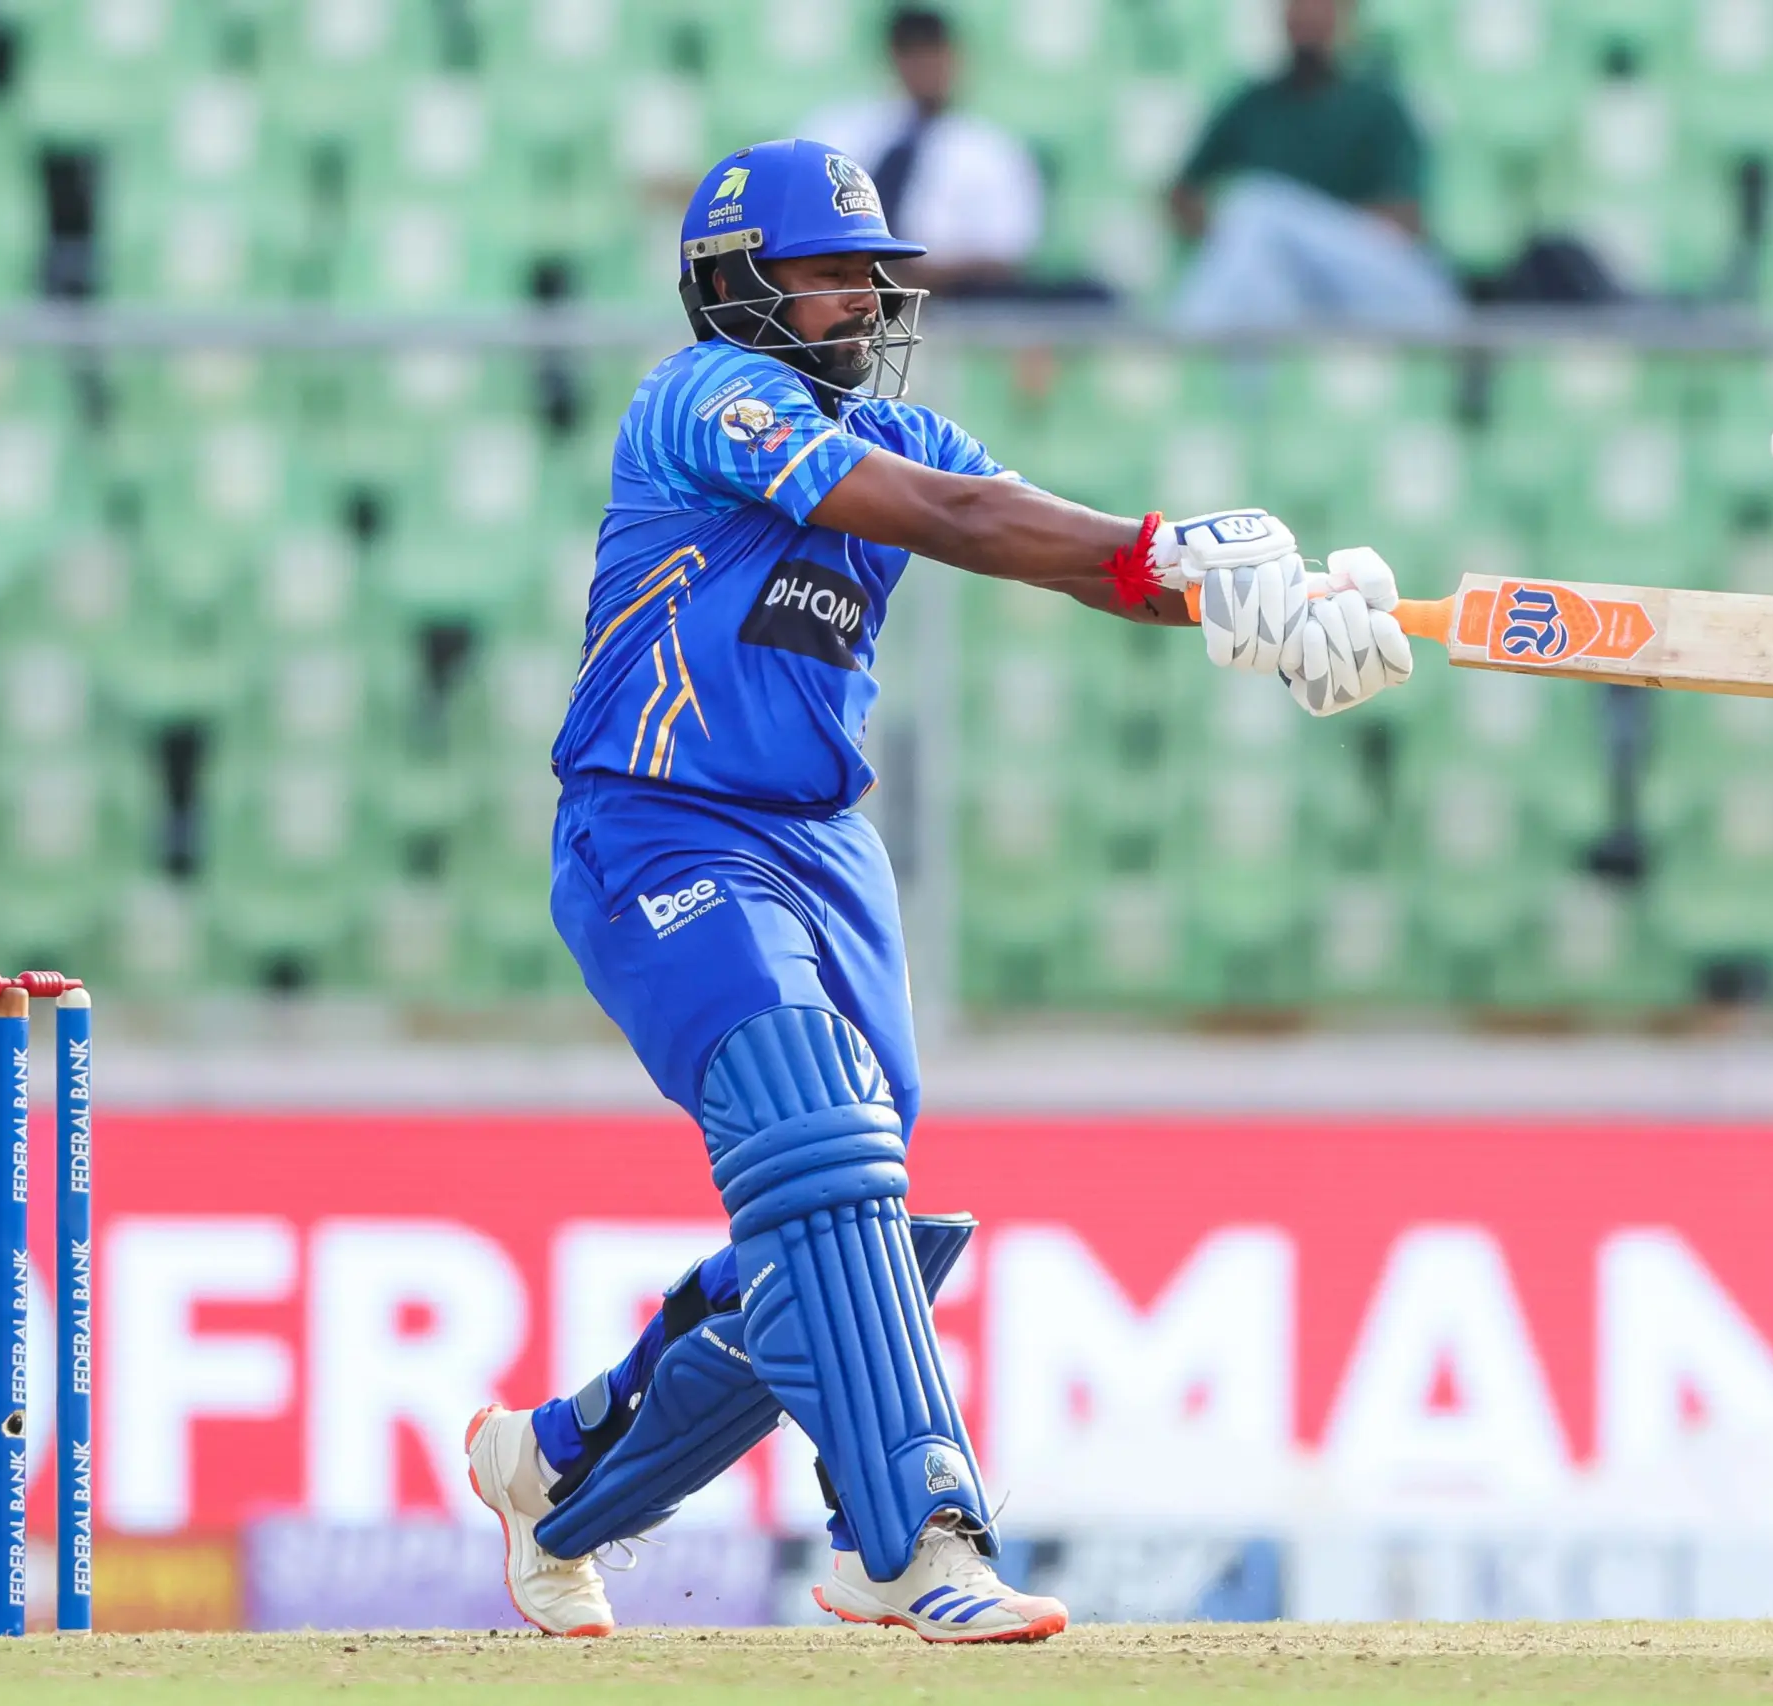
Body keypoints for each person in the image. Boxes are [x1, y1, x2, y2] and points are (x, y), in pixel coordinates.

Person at [460, 137, 1414, 1643]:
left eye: (872, 272)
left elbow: (1065, 552)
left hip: (824, 849)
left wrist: (1268, 602)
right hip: (660, 826)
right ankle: (913, 1535)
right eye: (827, 272)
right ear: (736, 285)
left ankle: (554, 1471)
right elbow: (957, 522)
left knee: (835, 1227)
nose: (862, 297)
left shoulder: (903, 426)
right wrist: (1162, 547)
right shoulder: (707, 396)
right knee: (819, 1146)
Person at [1167, 0, 1460, 333]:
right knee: (1258, 268)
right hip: (1296, 289)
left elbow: (1404, 221)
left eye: (1321, 7)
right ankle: (1195, 355)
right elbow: (1181, 194)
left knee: (1256, 207)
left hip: (1385, 285)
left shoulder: (1379, 102)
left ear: (1346, 17)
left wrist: (1302, 227)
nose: (1308, 17)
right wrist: (1231, 233)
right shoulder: (1253, 104)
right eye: (1299, 7)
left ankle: (1181, 344)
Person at [801, 7, 1047, 298]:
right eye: (914, 55)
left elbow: (1007, 257)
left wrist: (912, 275)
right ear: (893, 58)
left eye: (934, 56)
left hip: (952, 305)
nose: (926, 69)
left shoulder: (992, 152)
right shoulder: (837, 134)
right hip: (839, 294)